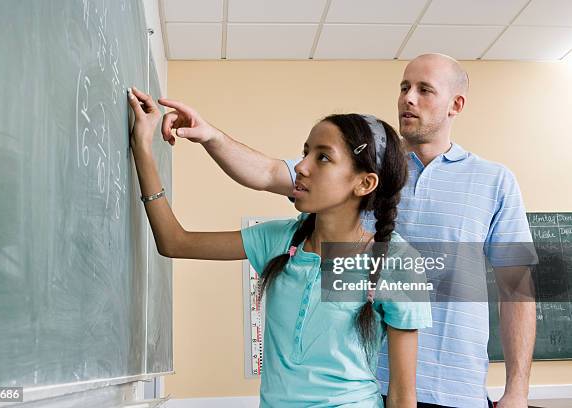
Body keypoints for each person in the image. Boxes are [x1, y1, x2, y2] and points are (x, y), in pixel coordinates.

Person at [155, 53, 537, 408]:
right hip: (365, 381)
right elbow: (269, 172)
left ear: (456, 105)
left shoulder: (494, 181)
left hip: (455, 387)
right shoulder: (360, 166)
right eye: (404, 87)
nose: (408, 98)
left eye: (424, 90)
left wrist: (517, 388)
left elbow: (516, 286)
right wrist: (209, 135)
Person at [127, 86, 431, 407]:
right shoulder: (280, 240)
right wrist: (142, 148)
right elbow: (175, 242)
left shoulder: (396, 262)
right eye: (306, 152)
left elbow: (401, 394)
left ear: (364, 183)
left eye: (323, 157)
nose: (301, 166)